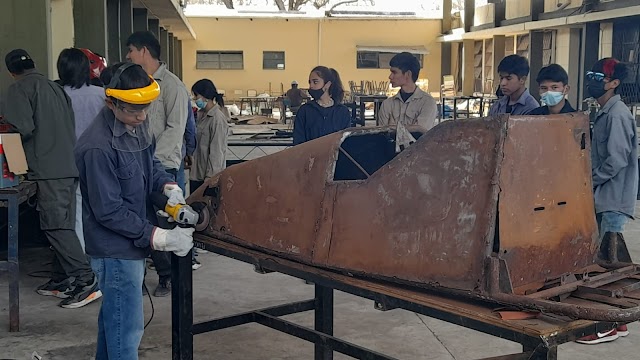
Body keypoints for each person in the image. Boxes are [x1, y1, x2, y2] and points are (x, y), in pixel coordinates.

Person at [75, 62, 194, 359]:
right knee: (125, 331)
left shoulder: (136, 126)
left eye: (146, 109)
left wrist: (168, 188)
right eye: (132, 110)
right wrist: (160, 238)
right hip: (114, 250)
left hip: (131, 239)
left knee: (112, 324)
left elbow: (149, 165)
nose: (141, 116)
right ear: (110, 102)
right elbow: (109, 211)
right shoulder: (97, 147)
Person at [2, 49, 100, 308]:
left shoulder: (19, 89)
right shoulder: (54, 88)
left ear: (11, 72)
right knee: (62, 224)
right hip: (68, 165)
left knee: (56, 226)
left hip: (48, 170)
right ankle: (62, 278)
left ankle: (85, 279)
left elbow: (20, 128)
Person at [576, 58, 637, 345]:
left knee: (605, 265)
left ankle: (606, 325)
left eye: (598, 76)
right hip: (603, 197)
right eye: (590, 74)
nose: (592, 79)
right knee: (608, 260)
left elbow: (616, 160)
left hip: (611, 198)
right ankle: (619, 323)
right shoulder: (603, 111)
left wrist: (589, 182)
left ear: (613, 83)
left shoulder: (617, 115)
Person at [126, 31, 190, 297]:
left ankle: (170, 277)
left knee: (166, 225)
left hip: (161, 168)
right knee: (142, 221)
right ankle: (144, 275)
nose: (128, 56)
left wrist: (155, 165)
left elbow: (176, 128)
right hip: (141, 165)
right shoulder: (140, 83)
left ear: (143, 51)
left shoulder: (172, 85)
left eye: (130, 50)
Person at [57, 47, 106, 252]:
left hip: (68, 162)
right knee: (103, 208)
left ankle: (81, 261)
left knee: (76, 213)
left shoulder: (57, 96)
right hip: (101, 160)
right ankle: (102, 254)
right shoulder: (102, 95)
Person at [378, 52, 438, 130]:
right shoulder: (387, 104)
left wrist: (392, 128)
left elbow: (420, 132)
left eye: (394, 72)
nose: (390, 76)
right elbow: (381, 134)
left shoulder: (428, 103)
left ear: (408, 74)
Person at [293, 66, 351, 145]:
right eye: (310, 82)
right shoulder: (305, 111)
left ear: (327, 84)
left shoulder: (342, 112)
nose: (311, 86)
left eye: (315, 82)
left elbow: (347, 142)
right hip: (310, 156)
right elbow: (298, 141)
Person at [190, 79, 229, 192]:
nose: (195, 99)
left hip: (208, 178)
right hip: (196, 174)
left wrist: (211, 180)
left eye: (196, 96)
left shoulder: (217, 119)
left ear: (204, 96)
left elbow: (217, 152)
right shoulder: (200, 115)